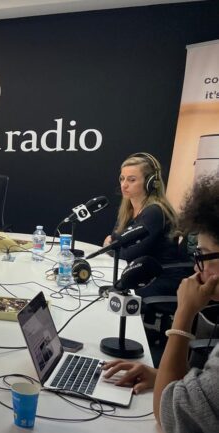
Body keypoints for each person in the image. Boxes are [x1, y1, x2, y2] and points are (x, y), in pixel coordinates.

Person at [102, 175, 219, 433]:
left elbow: (168, 417)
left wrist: (184, 313)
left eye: (200, 255)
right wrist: (161, 376)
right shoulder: (133, 211)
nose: (196, 269)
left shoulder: (154, 212)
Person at [103, 152, 191, 298]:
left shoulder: (154, 212)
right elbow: (116, 239)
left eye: (131, 180)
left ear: (150, 182)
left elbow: (129, 254)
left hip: (160, 278)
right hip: (140, 273)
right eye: (122, 178)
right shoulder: (127, 209)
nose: (124, 185)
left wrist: (112, 247)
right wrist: (114, 246)